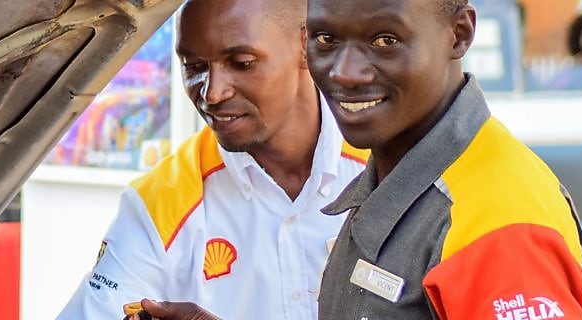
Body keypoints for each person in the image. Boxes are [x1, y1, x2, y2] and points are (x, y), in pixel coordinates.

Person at [55, 0, 369, 318]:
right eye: (194, 67)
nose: (212, 93)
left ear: (308, 46)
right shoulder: (159, 203)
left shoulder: (389, 167)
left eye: (241, 63)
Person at [306, 0, 582, 318]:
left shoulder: (499, 214)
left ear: (459, 34)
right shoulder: (395, 165)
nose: (345, 73)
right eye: (326, 39)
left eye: (385, 40)